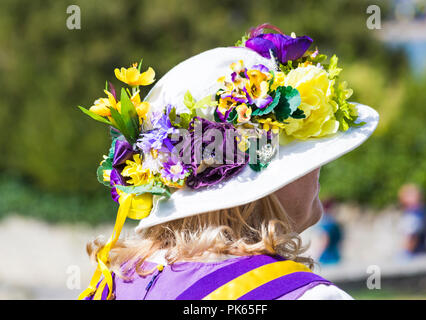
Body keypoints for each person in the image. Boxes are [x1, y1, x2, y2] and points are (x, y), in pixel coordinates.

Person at [78, 24, 379, 300]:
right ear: (267, 182)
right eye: (307, 153)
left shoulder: (113, 283)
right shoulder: (304, 296)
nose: (318, 167)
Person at [398, 183, 426, 258]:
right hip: (421, 251)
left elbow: (413, 236)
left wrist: (406, 252)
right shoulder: (422, 211)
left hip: (417, 253)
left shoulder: (415, 213)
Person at [318, 199, 343, 265]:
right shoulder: (335, 223)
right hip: (335, 256)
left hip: (326, 258)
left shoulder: (327, 223)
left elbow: (325, 240)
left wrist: (318, 253)